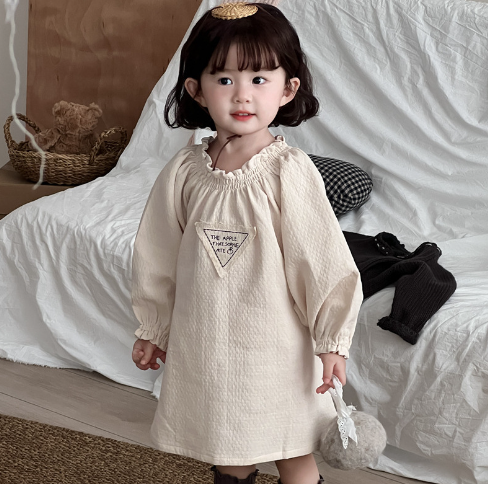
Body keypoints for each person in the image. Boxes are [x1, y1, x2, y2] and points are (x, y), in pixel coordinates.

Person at [131, 3, 363, 484]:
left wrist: (332, 341)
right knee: (228, 448)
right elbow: (157, 255)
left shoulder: (288, 172)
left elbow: (321, 261)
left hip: (276, 348)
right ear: (197, 90)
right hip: (210, 345)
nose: (242, 94)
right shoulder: (184, 171)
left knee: (292, 450)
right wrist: (154, 326)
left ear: (287, 89)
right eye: (224, 79)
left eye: (259, 79)